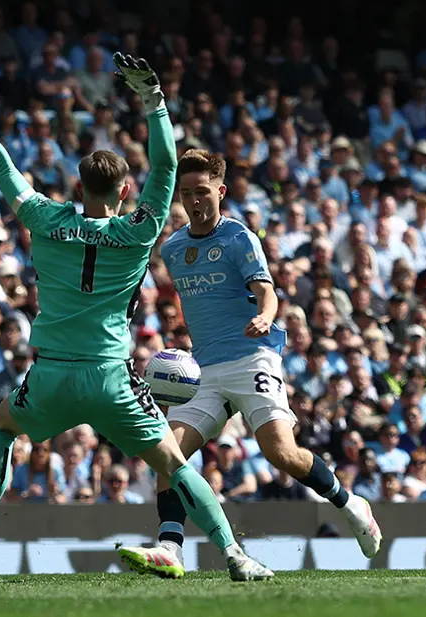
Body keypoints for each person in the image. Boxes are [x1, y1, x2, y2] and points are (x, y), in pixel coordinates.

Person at [0, 54, 272, 580]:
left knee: (1, 427)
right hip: (112, 377)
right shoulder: (138, 232)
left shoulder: (43, 218)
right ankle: (234, 556)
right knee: (174, 464)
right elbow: (168, 167)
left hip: (53, 373)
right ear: (124, 192)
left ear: (78, 187)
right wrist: (153, 102)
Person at [119, 147, 381, 577]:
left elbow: (268, 292)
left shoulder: (240, 238)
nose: (194, 201)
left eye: (202, 191)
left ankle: (350, 503)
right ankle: (170, 546)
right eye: (186, 193)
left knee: (279, 451)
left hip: (251, 357)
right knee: (166, 450)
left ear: (220, 191)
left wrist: (265, 316)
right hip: (202, 369)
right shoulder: (174, 248)